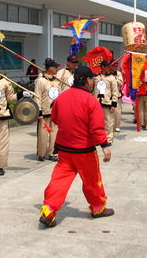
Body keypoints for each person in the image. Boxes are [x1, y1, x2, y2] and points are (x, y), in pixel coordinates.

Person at [39, 66, 113, 228]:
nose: (93, 81)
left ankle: (48, 210)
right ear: (86, 80)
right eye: (92, 79)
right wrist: (105, 146)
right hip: (84, 150)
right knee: (92, 181)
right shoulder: (91, 101)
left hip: (65, 149)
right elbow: (97, 128)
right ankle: (98, 208)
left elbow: (56, 119)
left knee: (59, 180)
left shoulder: (62, 98)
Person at [34, 58, 61, 161]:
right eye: (55, 67)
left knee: (54, 133)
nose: (56, 69)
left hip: (55, 111)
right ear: (50, 68)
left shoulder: (57, 81)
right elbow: (37, 96)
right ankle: (41, 153)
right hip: (44, 111)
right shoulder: (41, 81)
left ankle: (52, 153)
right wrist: (39, 110)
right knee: (43, 133)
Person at [93, 60, 118, 144]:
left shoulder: (112, 78)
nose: (109, 68)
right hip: (96, 102)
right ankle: (97, 139)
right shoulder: (96, 77)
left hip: (107, 102)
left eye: (109, 66)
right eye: (107, 66)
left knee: (108, 122)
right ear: (103, 67)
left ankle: (108, 139)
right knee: (96, 122)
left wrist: (114, 104)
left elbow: (115, 92)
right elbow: (91, 88)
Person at [110, 60, 123, 132]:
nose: (115, 68)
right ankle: (110, 126)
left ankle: (117, 126)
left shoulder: (118, 74)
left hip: (117, 95)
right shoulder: (107, 73)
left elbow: (121, 83)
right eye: (113, 66)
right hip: (109, 95)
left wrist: (114, 78)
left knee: (117, 112)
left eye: (116, 66)